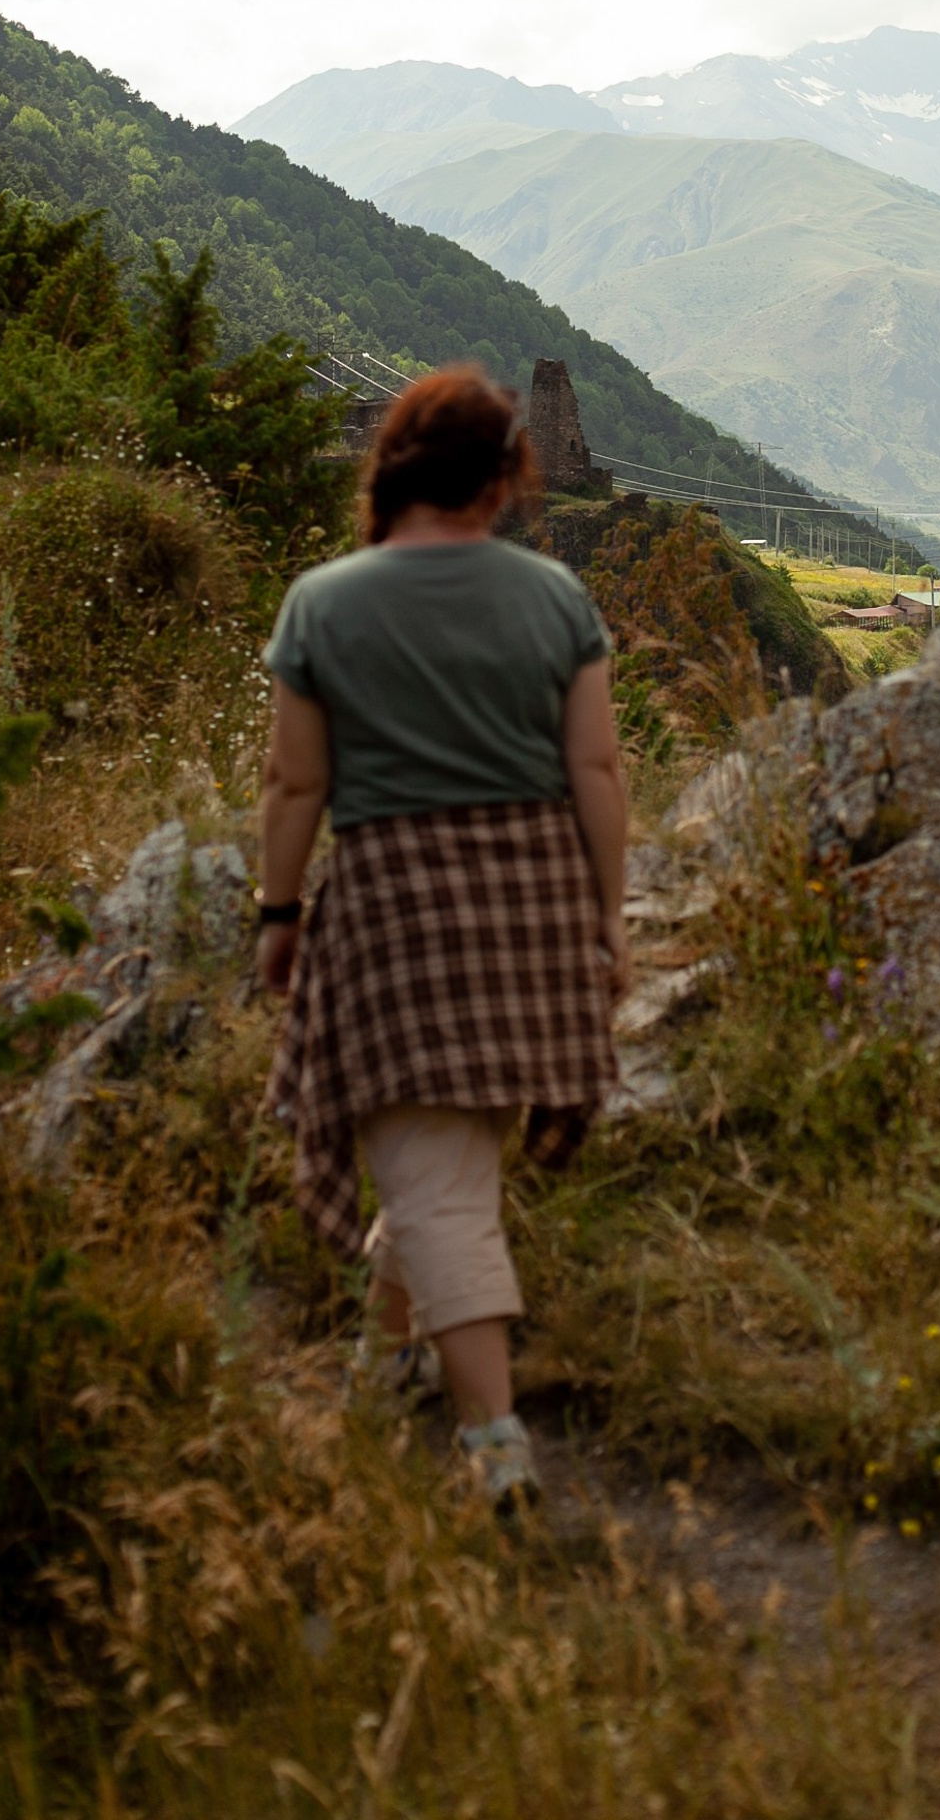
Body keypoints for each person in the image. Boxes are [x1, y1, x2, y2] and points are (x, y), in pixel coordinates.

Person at [257, 363, 630, 1507]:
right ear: (503, 481)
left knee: (437, 1180)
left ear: (395, 469)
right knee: (446, 1168)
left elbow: (293, 783)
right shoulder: (556, 603)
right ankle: (379, 1373)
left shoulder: (324, 603)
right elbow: (599, 770)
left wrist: (278, 913)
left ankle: (495, 1448)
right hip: (534, 909)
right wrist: (606, 925)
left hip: (396, 908)